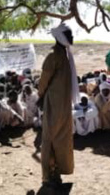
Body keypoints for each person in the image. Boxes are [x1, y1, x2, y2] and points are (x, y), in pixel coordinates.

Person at [36, 24, 77, 187]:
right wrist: (40, 97)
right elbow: (43, 82)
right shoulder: (53, 56)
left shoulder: (64, 56)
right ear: (60, 36)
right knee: (49, 139)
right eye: (69, 34)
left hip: (63, 107)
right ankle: (47, 176)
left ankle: (57, 172)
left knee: (62, 139)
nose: (72, 38)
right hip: (53, 105)